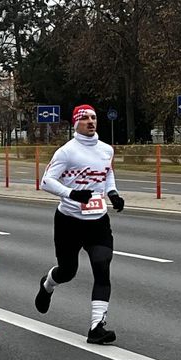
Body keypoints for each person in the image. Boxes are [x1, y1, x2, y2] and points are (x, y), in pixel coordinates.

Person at [34, 104, 125, 345]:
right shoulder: (67, 152)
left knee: (102, 265)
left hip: (98, 220)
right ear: (75, 123)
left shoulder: (106, 149)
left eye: (94, 117)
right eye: (85, 118)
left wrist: (113, 193)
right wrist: (72, 194)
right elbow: (46, 181)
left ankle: (97, 327)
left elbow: (107, 173)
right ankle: (47, 284)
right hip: (69, 221)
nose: (91, 121)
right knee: (68, 271)